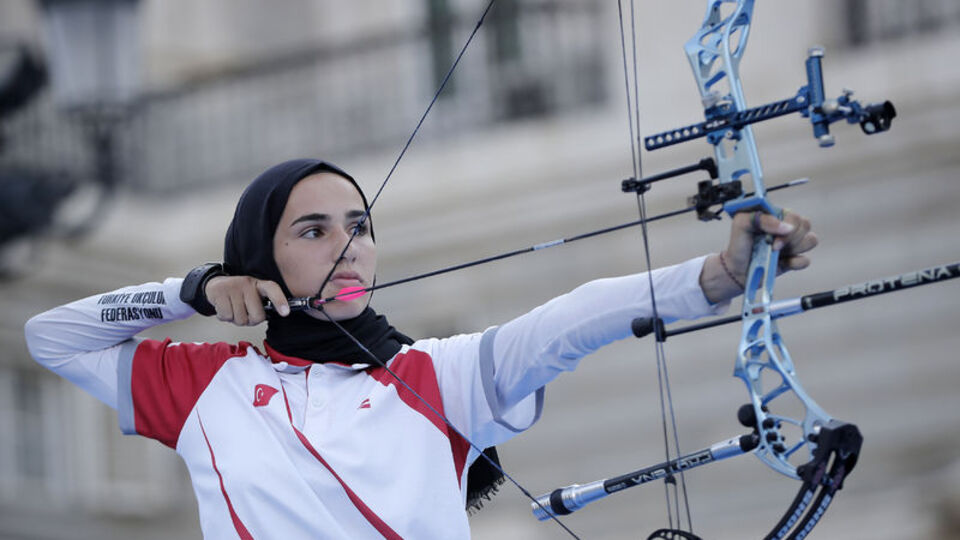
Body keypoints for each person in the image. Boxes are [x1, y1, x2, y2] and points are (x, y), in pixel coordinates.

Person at [24, 159, 816, 539]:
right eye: (314, 230)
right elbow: (49, 337)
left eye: (359, 226)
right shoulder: (209, 386)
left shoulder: (436, 375)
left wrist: (717, 275)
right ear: (256, 259)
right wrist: (189, 290)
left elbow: (574, 318)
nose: (348, 247)